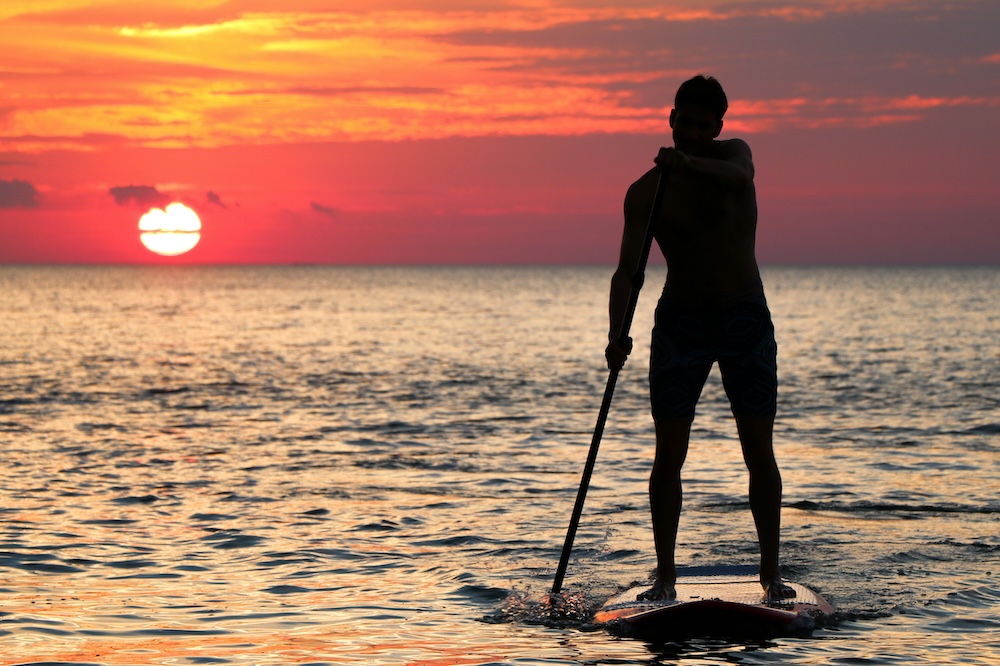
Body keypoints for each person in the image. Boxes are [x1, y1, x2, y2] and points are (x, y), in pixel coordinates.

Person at [605, 75, 795, 601]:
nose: (688, 132)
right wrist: (616, 332)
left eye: (700, 125)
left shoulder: (735, 157)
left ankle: (771, 576)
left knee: (759, 449)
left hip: (743, 320)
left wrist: (688, 165)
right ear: (670, 120)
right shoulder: (646, 193)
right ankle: (665, 576)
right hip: (681, 324)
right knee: (669, 452)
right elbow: (627, 273)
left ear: (716, 128)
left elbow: (738, 179)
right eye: (681, 122)